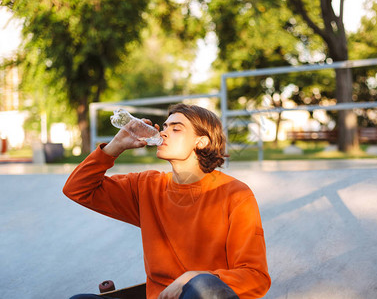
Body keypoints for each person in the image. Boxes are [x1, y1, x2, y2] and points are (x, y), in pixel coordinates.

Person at [63, 103, 271, 299]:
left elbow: (255, 277)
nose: (163, 133)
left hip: (205, 294)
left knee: (203, 286)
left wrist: (194, 278)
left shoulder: (235, 194)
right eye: (164, 127)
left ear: (201, 141)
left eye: (176, 129)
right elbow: (77, 189)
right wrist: (116, 145)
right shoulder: (145, 186)